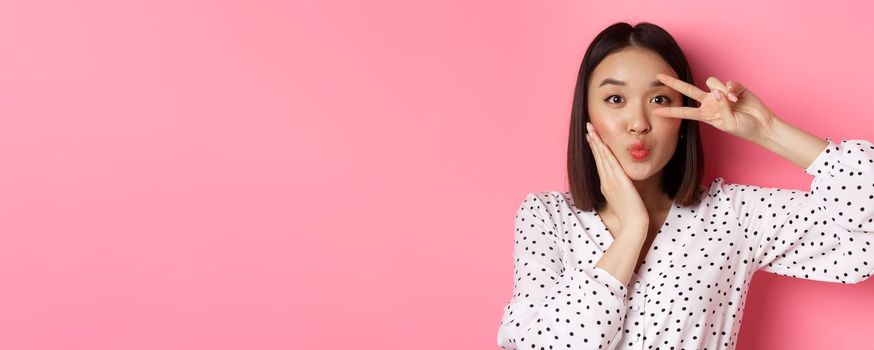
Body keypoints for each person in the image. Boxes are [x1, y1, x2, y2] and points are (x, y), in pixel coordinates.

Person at [496, 21, 874, 350]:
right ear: (587, 114)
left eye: (659, 99)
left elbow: (861, 244)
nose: (638, 122)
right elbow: (544, 342)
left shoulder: (732, 215)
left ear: (682, 122)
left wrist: (769, 132)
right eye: (615, 99)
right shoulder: (546, 217)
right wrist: (631, 230)